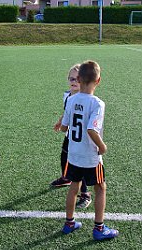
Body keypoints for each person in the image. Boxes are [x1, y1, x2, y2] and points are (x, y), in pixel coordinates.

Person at [60, 60, 119, 240]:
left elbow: (64, 128)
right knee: (100, 188)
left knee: (73, 188)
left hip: (74, 154)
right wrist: (102, 146)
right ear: (98, 80)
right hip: (91, 157)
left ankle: (69, 223)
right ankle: (99, 228)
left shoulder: (71, 99)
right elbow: (91, 129)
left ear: (78, 78)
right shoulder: (97, 103)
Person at [51, 64, 92, 209]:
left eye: (77, 79)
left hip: (82, 139)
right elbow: (67, 112)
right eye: (71, 78)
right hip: (70, 136)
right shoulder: (67, 95)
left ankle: (85, 194)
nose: (73, 81)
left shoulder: (86, 99)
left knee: (80, 165)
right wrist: (60, 121)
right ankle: (66, 178)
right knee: (64, 156)